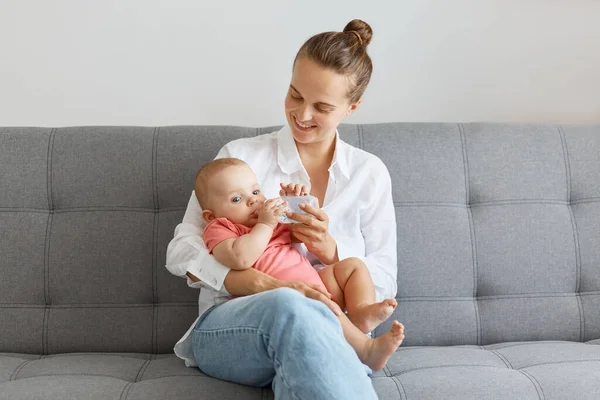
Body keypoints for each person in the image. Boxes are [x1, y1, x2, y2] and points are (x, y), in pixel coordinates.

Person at [166, 19, 398, 399]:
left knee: (309, 354)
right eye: (294, 95)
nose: (302, 115)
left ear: (352, 107)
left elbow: (385, 274)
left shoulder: (370, 174)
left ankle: (343, 346)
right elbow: (181, 251)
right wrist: (255, 283)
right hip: (234, 324)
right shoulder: (239, 159)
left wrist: (330, 251)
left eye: (321, 106)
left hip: (333, 324)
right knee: (290, 306)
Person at [194, 157, 404, 371]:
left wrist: (296, 204)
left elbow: (299, 235)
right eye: (236, 199)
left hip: (314, 283)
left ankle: (360, 313)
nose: (252, 201)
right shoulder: (222, 228)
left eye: (256, 192)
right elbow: (240, 258)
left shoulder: (271, 221)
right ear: (211, 215)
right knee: (315, 302)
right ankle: (366, 350)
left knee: (353, 266)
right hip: (284, 298)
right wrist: (266, 224)